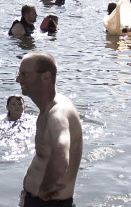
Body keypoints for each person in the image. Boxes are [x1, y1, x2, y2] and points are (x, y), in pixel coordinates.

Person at [17, 51, 82, 205]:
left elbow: (61, 156)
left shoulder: (57, 112)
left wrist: (45, 189)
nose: (18, 79)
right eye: (19, 73)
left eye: (24, 74)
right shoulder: (47, 109)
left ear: (46, 77)